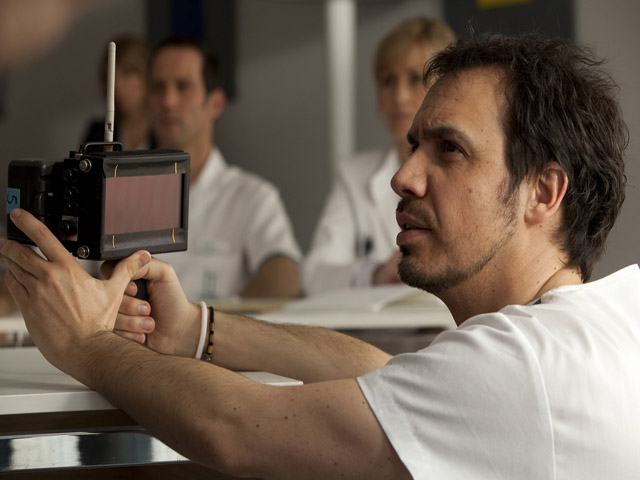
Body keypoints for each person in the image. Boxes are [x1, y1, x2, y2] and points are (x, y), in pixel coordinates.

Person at [2, 32, 639, 478]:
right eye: (414, 146)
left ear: (543, 192)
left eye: (450, 149)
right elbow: (386, 374)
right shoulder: (601, 322)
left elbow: (233, 428)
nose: (403, 177)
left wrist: (85, 343)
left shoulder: (516, 368)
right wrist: (197, 329)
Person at [303, 17, 455, 295]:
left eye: (415, 79)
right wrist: (374, 274)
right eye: (388, 81)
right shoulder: (354, 175)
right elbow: (315, 275)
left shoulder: (470, 169)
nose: (399, 97)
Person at [148, 37, 302, 300]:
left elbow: (285, 277)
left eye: (183, 87)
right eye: (158, 87)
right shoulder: (120, 191)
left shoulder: (252, 197)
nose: (168, 101)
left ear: (216, 104)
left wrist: (209, 321)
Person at [82, 34, 154, 150]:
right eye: (108, 77)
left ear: (146, 74)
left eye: (126, 74)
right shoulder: (97, 134)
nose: (116, 86)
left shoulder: (165, 130)